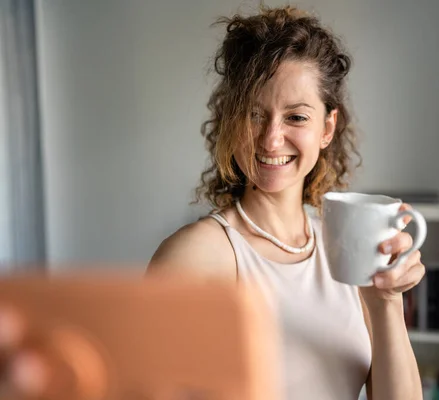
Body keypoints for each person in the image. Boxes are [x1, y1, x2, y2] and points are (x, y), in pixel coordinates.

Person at [148, 5, 425, 400]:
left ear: (327, 128)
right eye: (254, 114)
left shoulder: (347, 253)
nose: (270, 139)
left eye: (295, 117)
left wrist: (386, 303)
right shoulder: (194, 256)